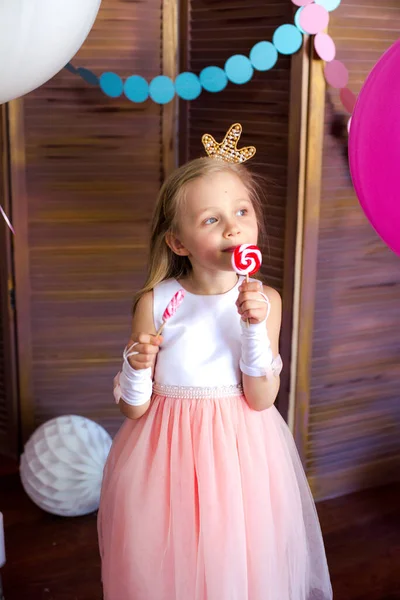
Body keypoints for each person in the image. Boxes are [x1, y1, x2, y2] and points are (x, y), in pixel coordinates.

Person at [98, 124, 333, 600]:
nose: (232, 226)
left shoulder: (266, 299)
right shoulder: (157, 301)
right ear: (178, 243)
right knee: (169, 563)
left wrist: (252, 328)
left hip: (240, 455)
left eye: (241, 211)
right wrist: (137, 367)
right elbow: (134, 409)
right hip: (163, 457)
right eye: (211, 219)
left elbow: (262, 397)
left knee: (236, 560)